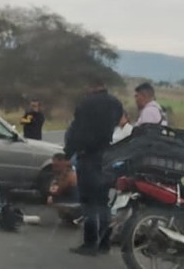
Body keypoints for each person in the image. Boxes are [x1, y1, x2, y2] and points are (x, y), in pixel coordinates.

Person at [64, 78, 123, 256]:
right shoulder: (116, 104)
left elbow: (76, 130)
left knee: (88, 201)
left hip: (88, 155)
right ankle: (104, 242)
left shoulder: (85, 103)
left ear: (91, 86)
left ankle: (90, 242)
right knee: (103, 201)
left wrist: (68, 153)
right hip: (106, 157)